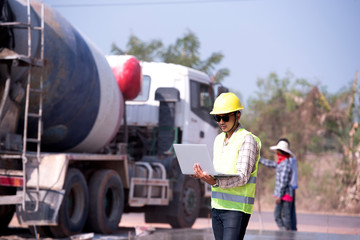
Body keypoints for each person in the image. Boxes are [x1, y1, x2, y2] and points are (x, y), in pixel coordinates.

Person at [191, 92, 261, 240]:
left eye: (226, 117)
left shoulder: (247, 140)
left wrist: (215, 182)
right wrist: (202, 174)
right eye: (218, 118)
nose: (221, 122)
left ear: (238, 115)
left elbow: (242, 177)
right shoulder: (218, 140)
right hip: (217, 206)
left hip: (236, 210)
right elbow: (218, 171)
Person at [259, 138, 298, 231]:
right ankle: (285, 232)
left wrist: (279, 196)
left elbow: (283, 182)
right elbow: (272, 164)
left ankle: (286, 234)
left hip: (284, 195)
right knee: (281, 216)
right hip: (283, 195)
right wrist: (259, 160)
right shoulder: (282, 162)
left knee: (283, 216)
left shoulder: (285, 164)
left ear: (281, 152)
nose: (276, 154)